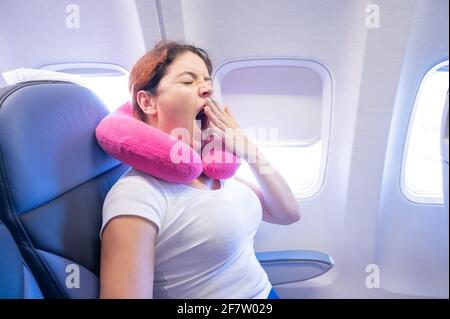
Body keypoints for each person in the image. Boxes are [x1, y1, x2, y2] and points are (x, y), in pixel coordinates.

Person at [99, 41, 301, 299]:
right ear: (148, 102)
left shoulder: (215, 170)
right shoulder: (137, 194)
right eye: (188, 81)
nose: (206, 89)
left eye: (207, 80)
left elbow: (288, 213)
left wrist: (249, 150)